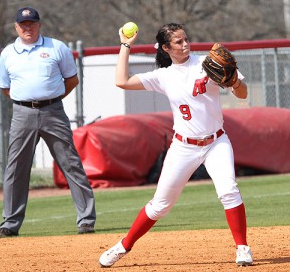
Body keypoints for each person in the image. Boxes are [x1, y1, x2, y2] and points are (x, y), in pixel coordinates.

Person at [99, 23, 253, 267]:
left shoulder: (207, 62)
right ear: (165, 48)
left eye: (186, 39)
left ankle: (242, 248)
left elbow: (243, 94)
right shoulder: (164, 76)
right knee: (160, 206)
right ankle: (123, 246)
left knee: (228, 191)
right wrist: (126, 45)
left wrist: (234, 82)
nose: (185, 44)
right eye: (178, 42)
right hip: (183, 147)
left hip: (216, 141)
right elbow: (122, 81)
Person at [0, 7, 96, 238]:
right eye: (23, 24)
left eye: (32, 23)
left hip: (53, 111)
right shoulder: (8, 53)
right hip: (22, 113)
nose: (27, 27)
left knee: (70, 163)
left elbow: (72, 79)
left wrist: (52, 98)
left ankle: (86, 220)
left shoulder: (56, 47)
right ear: (16, 27)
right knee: (16, 169)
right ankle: (10, 223)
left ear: (39, 25)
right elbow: (5, 88)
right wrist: (27, 101)